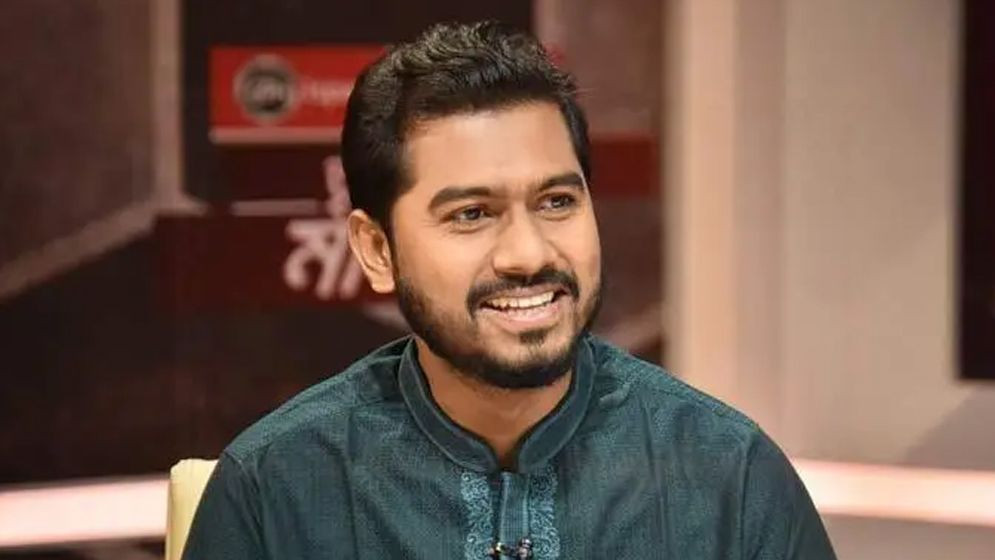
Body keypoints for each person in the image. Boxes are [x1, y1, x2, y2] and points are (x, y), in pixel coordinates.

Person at [182, 21, 836, 559]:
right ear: (377, 250)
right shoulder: (274, 492)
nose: (529, 254)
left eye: (556, 202)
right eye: (471, 214)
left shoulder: (730, 477)